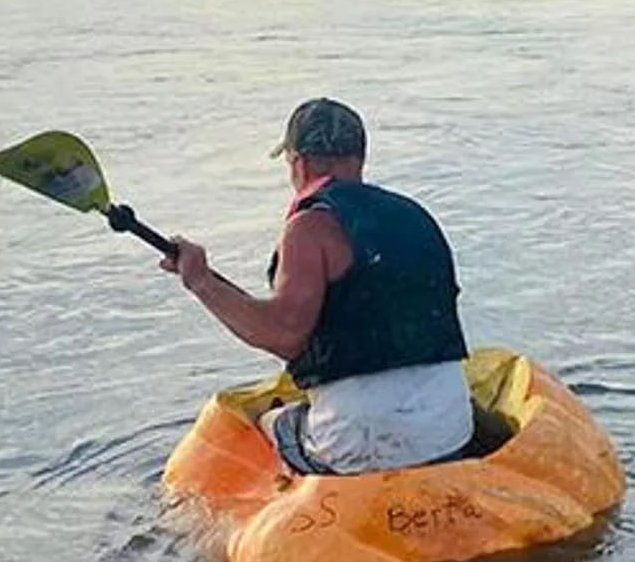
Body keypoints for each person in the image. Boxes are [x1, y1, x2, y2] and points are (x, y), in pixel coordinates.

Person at [158, 98, 475, 475]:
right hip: (450, 431)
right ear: (359, 158)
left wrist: (200, 282)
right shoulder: (417, 215)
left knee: (269, 422)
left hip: (359, 442)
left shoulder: (309, 227)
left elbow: (285, 335)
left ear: (300, 163)